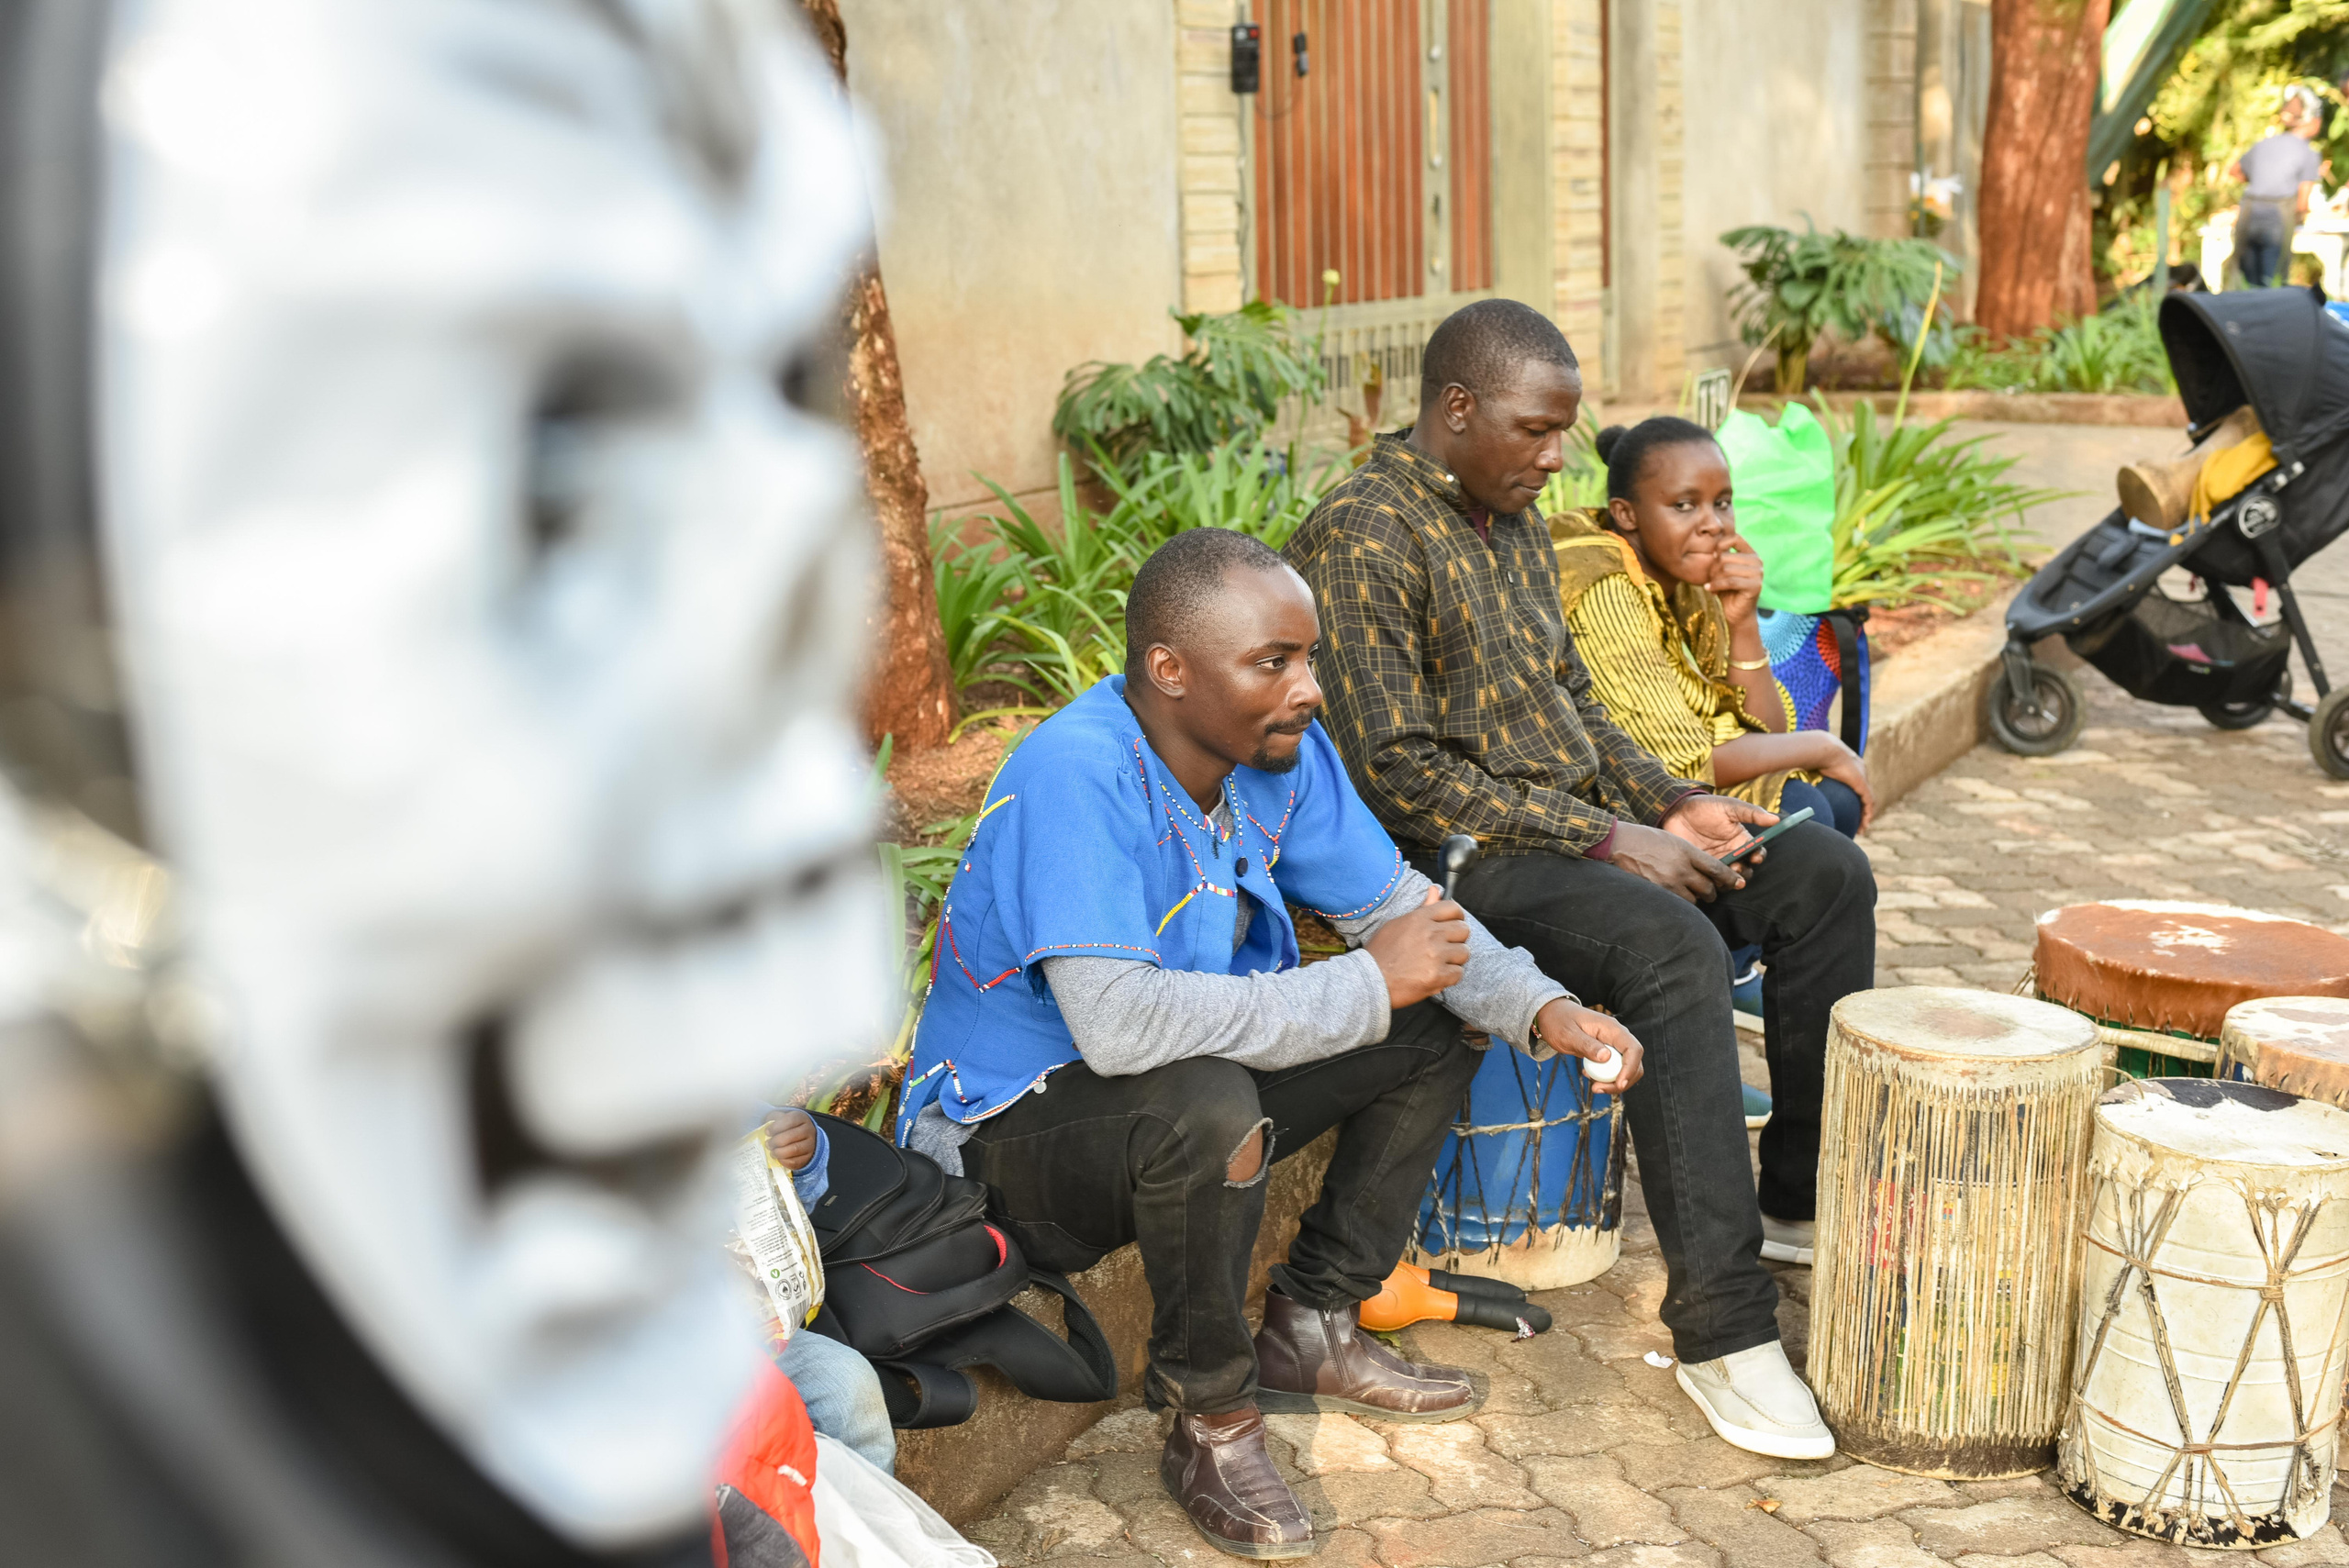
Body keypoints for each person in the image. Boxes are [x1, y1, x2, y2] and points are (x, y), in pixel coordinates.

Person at [896, 528, 1642, 1560]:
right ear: (1169, 670)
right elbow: (1120, 1026)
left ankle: (1313, 1322)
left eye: (1309, 657)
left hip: (1169, 1085)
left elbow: (1401, 912)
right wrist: (1363, 981)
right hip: (1012, 1137)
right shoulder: (1078, 773)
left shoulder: (1273, 753)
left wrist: (1543, 1004)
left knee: (1432, 1015)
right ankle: (1211, 1416)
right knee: (1206, 1101)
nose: (1311, 688)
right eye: (1274, 662)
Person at [1286, 298, 1876, 1465]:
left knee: (1817, 868)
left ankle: (1786, 1196)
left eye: (1564, 431)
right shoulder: (1361, 533)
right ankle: (1721, 1328)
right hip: (1454, 860)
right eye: (1535, 429)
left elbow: (1574, 705)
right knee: (1669, 942)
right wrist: (1611, 841)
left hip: (1565, 828)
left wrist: (1664, 801)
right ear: (1456, 410)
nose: (1559, 455)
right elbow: (1394, 774)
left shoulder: (1509, 518)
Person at [1553, 417, 1872, 839]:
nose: (1714, 524)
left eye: (1722, 502)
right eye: (1684, 506)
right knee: (1805, 814)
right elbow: (1676, 762)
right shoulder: (1603, 585)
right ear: (1626, 514)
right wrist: (1822, 745)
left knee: (1834, 800)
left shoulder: (1685, 577)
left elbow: (1768, 731)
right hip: (1616, 800)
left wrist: (1743, 623)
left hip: (1686, 776)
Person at [759, 1108, 898, 1475]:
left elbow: (790, 1209)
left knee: (847, 1381)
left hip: (755, 1333)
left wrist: (805, 1155)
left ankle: (876, 1523)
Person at [2231, 89, 2325, 288]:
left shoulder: (2264, 143)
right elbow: (2302, 203)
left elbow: (2235, 171)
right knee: (2272, 283)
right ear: (2312, 120)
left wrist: (2256, 180)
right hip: (2277, 219)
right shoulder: (2309, 153)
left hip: (2249, 214)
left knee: (2245, 284)